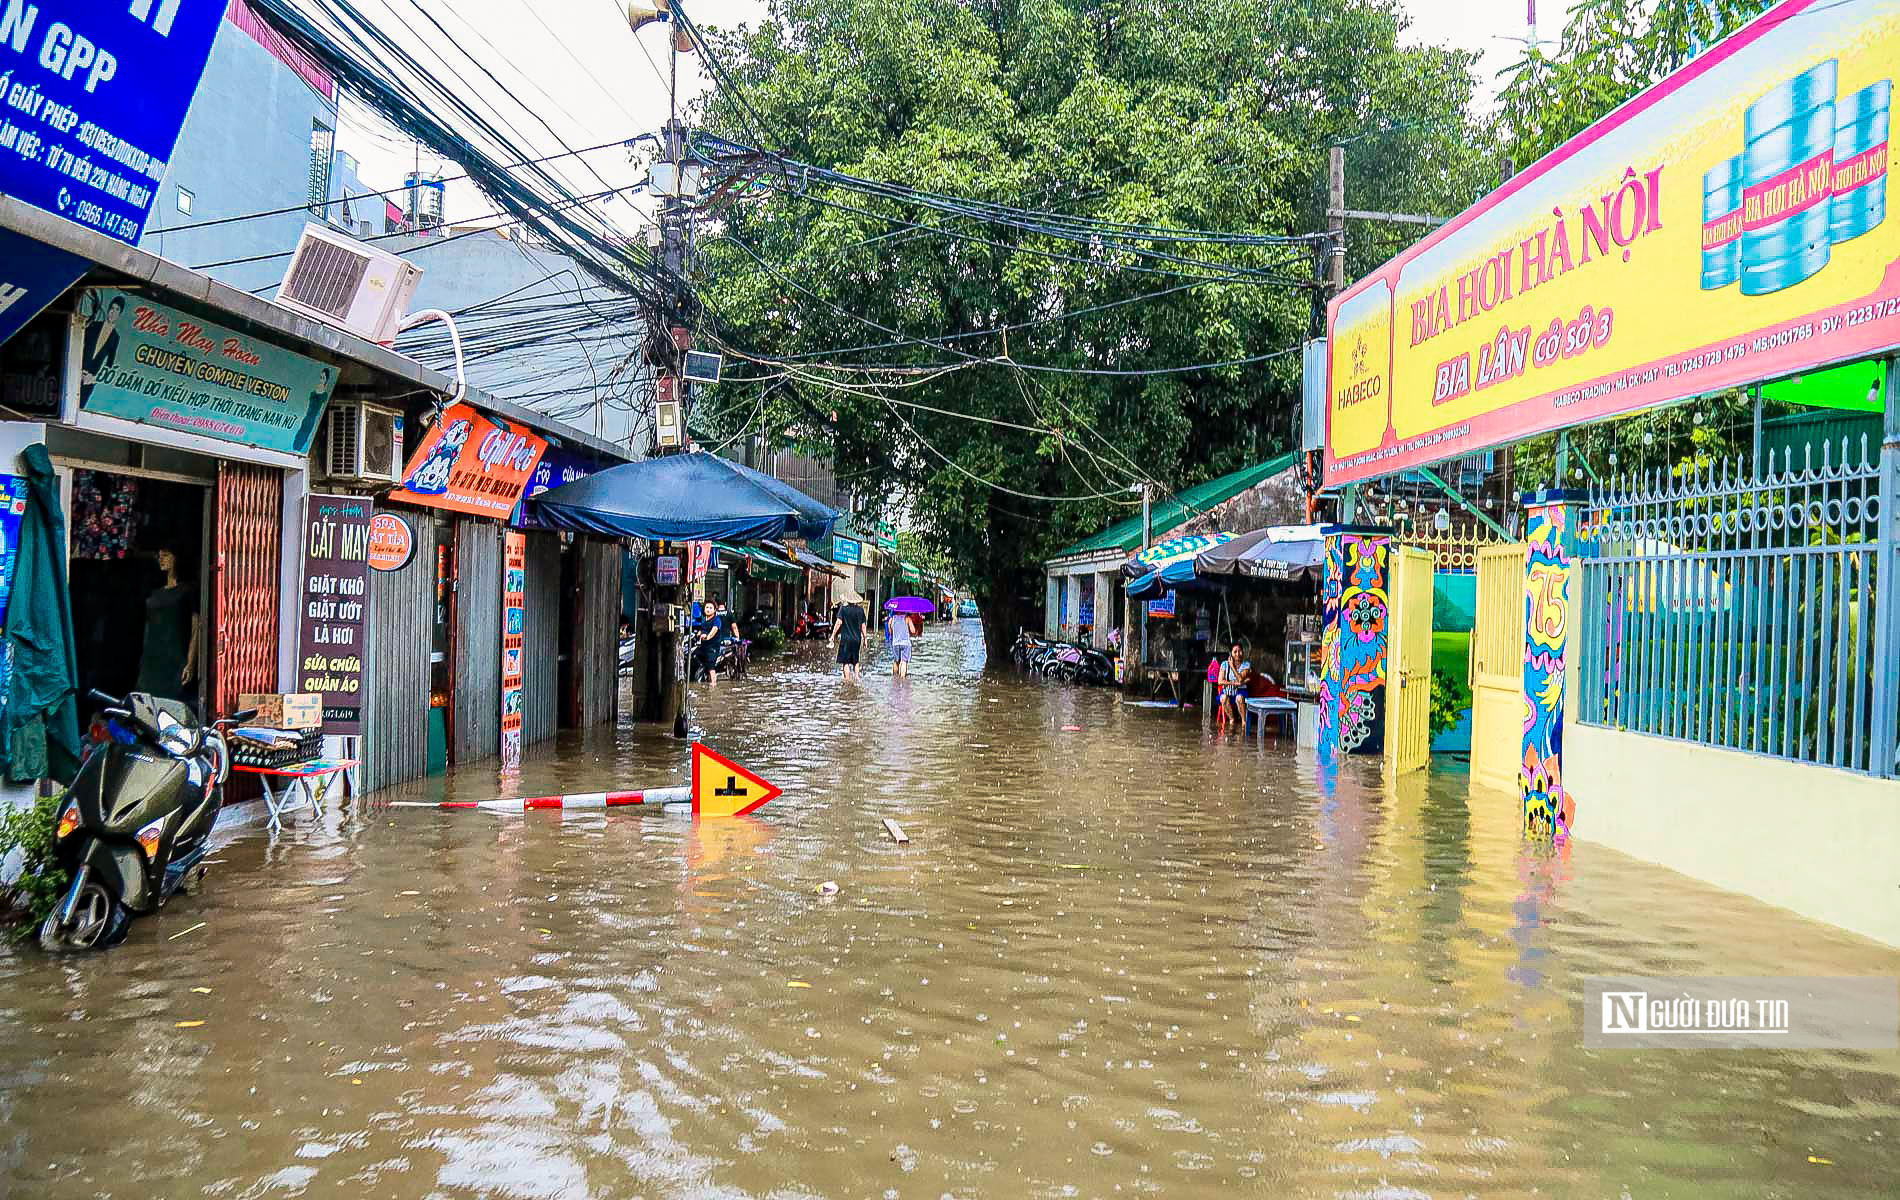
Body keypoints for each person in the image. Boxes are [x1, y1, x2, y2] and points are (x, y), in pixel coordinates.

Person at [138, 548, 200, 706]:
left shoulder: (187, 590)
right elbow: (147, 626)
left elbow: (196, 628)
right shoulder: (154, 592)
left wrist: (190, 663)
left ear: (176, 558)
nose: (161, 559)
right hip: (151, 658)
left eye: (165, 555)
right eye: (159, 556)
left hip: (174, 658)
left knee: (171, 704)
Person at [829, 588, 867, 681]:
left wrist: (833, 635)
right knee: (855, 661)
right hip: (857, 639)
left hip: (845, 639)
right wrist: (865, 638)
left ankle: (847, 680)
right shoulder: (860, 610)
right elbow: (863, 626)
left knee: (845, 662)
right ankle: (857, 678)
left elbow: (838, 623)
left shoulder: (843, 609)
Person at [1217, 643, 1249, 726]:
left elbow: (1240, 679)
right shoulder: (1224, 664)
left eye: (1240, 651)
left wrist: (1232, 667)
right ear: (1231, 653)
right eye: (1235, 651)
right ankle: (1231, 719)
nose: (1238, 654)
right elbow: (1220, 681)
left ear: (1243, 652)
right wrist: (1235, 683)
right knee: (1223, 698)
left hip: (1241, 690)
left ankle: (1244, 721)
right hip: (1227, 691)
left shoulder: (1246, 664)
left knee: (1239, 698)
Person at [885, 605, 913, 678]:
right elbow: (913, 631)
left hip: (895, 643)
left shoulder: (891, 619)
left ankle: (895, 678)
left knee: (896, 661)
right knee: (904, 661)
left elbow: (890, 632)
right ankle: (902, 679)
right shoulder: (907, 618)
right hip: (905, 643)